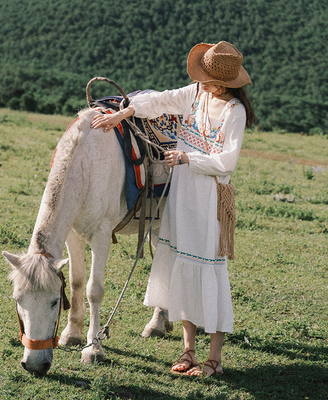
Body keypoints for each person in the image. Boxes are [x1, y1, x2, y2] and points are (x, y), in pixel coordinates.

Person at [91, 41, 255, 377]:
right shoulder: (195, 94)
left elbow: (227, 162)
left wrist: (186, 157)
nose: (200, 82)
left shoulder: (233, 113)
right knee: (183, 263)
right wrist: (124, 112)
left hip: (208, 196)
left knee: (208, 268)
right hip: (182, 193)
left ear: (222, 84)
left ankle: (214, 359)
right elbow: (160, 99)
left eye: (206, 78)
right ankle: (188, 351)